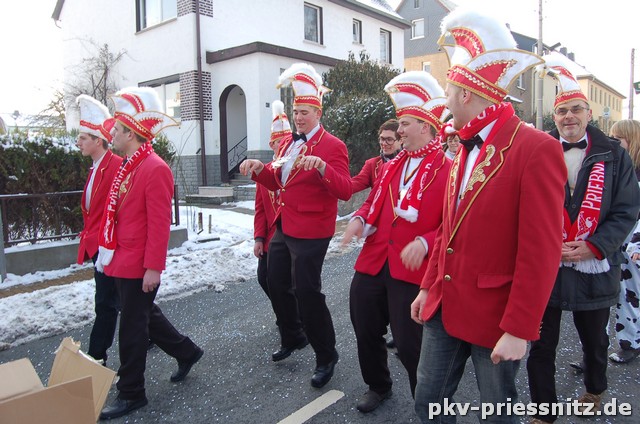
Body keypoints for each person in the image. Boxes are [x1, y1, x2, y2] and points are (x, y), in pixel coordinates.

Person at [409, 9, 567, 423]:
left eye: (448, 91)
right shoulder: (462, 147)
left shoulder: (535, 148)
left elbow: (541, 250)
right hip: (444, 305)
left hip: (496, 318)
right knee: (428, 403)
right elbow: (448, 229)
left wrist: (519, 328)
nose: (444, 101)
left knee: (497, 414)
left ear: (465, 94)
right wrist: (427, 286)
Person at [526, 53, 640, 423]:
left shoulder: (614, 155)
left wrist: (594, 246)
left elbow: (626, 209)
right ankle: (543, 411)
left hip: (595, 265)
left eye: (576, 109)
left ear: (589, 114)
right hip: (547, 264)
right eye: (562, 111)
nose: (569, 117)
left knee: (595, 341)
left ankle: (594, 390)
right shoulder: (538, 150)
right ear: (554, 116)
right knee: (540, 344)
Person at [341, 71, 450, 413]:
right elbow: (373, 203)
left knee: (410, 344)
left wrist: (426, 242)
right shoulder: (390, 166)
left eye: (405, 123)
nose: (399, 130)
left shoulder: (449, 169)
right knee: (364, 326)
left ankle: (428, 403)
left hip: (413, 271)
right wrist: (359, 220)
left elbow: (456, 224)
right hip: (374, 260)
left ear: (426, 126)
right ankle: (378, 385)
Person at [239, 63, 352, 388]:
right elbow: (277, 182)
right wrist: (259, 168)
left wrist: (322, 168)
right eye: (296, 112)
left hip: (313, 231)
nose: (299, 117)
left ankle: (326, 354)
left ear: (318, 113)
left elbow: (345, 190)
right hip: (285, 226)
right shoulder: (289, 143)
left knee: (307, 292)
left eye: (304, 112)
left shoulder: (333, 146)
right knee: (274, 282)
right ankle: (293, 335)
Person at [97, 87, 204, 420]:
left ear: (131, 133)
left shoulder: (154, 168)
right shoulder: (131, 165)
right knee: (144, 315)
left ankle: (132, 393)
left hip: (139, 264)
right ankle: (187, 351)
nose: (112, 134)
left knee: (132, 329)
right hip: (123, 259)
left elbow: (159, 225)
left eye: (117, 129)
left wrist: (153, 268)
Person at [75, 95, 123, 367]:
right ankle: (167, 342)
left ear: (98, 140)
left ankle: (96, 356)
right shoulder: (95, 167)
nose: (79, 142)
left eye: (83, 138)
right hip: (98, 245)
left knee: (106, 302)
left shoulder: (115, 165)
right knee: (125, 301)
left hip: (109, 246)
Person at [609, 119, 640, 364]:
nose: (613, 142)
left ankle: (630, 343)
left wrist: (637, 243)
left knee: (630, 294)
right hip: (617, 239)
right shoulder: (616, 168)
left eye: (617, 138)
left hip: (632, 242)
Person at [254, 100, 291, 300]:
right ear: (272, 145)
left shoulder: (296, 169)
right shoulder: (264, 171)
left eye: (288, 141)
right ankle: (285, 311)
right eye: (280, 142)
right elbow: (260, 208)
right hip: (270, 239)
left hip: (291, 238)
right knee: (264, 278)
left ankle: (293, 314)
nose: (285, 146)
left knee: (288, 282)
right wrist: (259, 238)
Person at [350, 119, 402, 194]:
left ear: (401, 140)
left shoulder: (411, 162)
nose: (384, 143)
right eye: (382, 139)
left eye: (389, 139)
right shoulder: (372, 164)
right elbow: (352, 185)